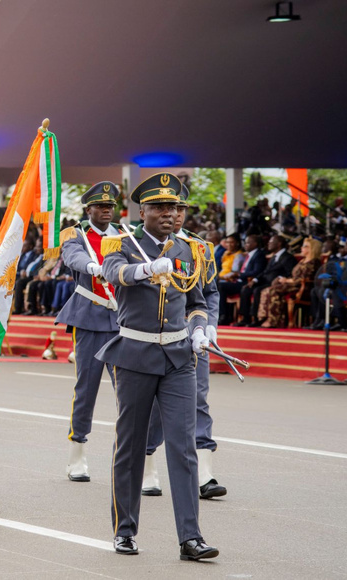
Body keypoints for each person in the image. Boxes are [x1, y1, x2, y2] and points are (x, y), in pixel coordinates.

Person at [97, 172, 218, 560]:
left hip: (180, 357)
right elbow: (113, 272)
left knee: (183, 448)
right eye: (161, 207)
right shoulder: (123, 243)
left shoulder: (188, 251)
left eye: (175, 207)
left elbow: (197, 301)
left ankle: (190, 538)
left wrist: (201, 330)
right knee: (130, 445)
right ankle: (125, 530)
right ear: (142, 210)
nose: (170, 214)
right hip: (135, 355)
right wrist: (147, 269)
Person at [142, 184, 226, 500]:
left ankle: (205, 473)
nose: (175, 215)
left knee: (198, 400)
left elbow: (210, 293)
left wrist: (209, 327)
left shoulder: (199, 248)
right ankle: (147, 463)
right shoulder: (141, 246)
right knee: (152, 408)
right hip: (157, 339)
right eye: (168, 208)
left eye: (180, 209)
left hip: (193, 338)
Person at [54, 182, 120, 482]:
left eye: (110, 206)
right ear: (88, 209)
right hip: (91, 317)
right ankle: (77, 454)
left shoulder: (125, 234)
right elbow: (72, 257)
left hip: (123, 319)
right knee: (87, 389)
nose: (106, 210)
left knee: (131, 392)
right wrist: (92, 266)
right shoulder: (76, 234)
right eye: (100, 206)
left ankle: (138, 457)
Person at [259, 238, 322, 328]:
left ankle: (273, 320)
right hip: (292, 284)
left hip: (302, 287)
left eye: (305, 246)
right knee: (267, 289)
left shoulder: (314, 262)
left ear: (312, 249)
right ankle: (271, 319)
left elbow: (303, 278)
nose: (301, 248)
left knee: (272, 290)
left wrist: (287, 280)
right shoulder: (302, 261)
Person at [236, 234, 296, 326]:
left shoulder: (288, 257)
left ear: (279, 244)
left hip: (275, 284)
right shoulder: (273, 257)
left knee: (257, 290)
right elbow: (265, 272)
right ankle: (245, 318)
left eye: (271, 242)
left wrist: (280, 278)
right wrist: (255, 280)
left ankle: (257, 319)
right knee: (246, 289)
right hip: (264, 281)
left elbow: (290, 273)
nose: (268, 243)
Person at [217, 235, 264, 324]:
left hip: (247, 281)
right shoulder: (248, 254)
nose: (245, 245)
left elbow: (257, 271)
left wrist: (239, 275)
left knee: (221, 285)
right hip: (240, 280)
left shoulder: (259, 254)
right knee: (219, 285)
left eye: (248, 242)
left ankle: (229, 316)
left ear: (255, 244)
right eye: (245, 242)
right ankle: (224, 315)